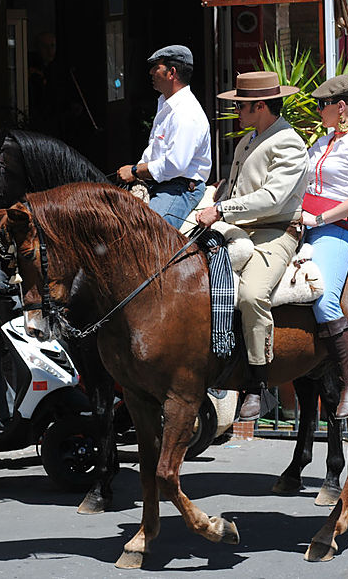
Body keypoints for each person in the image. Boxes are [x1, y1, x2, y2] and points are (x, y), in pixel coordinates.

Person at [195, 71, 307, 421]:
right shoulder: (248, 140)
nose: (237, 111)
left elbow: (273, 199)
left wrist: (222, 209)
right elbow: (239, 191)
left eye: (241, 106)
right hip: (235, 229)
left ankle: (257, 385)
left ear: (260, 106)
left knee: (251, 294)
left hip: (276, 231)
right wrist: (214, 198)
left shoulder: (289, 142)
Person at [300, 74, 348, 419]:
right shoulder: (323, 140)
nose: (317, 110)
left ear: (340, 107)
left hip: (336, 229)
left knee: (324, 298)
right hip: (302, 221)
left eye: (321, 105)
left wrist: (319, 219)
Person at [117, 45, 210, 228]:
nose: (151, 72)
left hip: (180, 188)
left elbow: (175, 165)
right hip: (161, 182)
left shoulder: (185, 113)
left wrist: (135, 171)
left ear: (171, 73)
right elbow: (154, 153)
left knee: (150, 230)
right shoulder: (166, 105)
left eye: (156, 67)